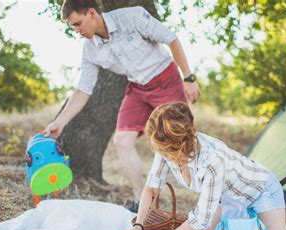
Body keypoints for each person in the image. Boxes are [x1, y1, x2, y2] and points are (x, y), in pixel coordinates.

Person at [44, 0, 201, 213]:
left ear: (92, 13)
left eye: (78, 24)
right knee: (122, 141)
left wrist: (188, 77)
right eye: (73, 27)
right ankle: (144, 202)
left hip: (166, 79)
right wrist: (59, 122)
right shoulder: (90, 49)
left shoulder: (132, 17)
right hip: (137, 87)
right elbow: (83, 90)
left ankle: (207, 193)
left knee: (180, 144)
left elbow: (171, 40)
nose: (77, 31)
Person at [118, 102, 286, 230]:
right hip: (224, 197)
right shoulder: (165, 147)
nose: (161, 155)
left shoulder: (212, 160)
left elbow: (200, 219)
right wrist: (138, 227)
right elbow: (152, 189)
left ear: (180, 145)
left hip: (261, 192)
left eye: (166, 151)